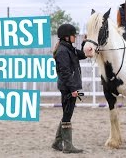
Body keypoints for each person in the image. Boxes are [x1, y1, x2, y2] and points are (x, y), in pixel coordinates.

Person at [51, 24, 86, 154]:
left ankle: (57, 142)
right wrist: (73, 89)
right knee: (67, 114)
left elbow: (82, 55)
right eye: (73, 35)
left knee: (67, 113)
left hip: (69, 86)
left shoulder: (69, 49)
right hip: (67, 87)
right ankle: (68, 145)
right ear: (66, 37)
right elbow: (65, 72)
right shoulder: (62, 51)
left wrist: (84, 43)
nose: (75, 36)